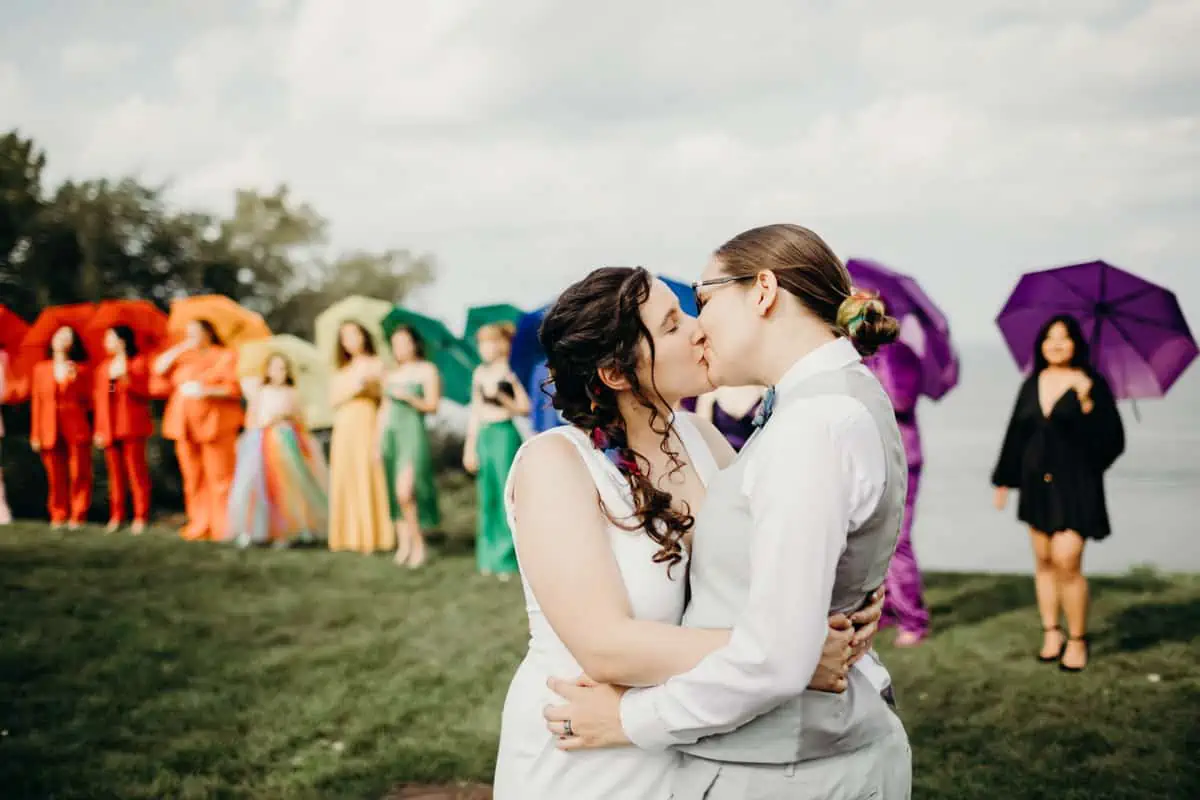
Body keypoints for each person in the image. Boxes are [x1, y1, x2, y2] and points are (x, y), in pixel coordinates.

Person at [544, 225, 912, 799]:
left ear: (763, 291)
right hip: (763, 755)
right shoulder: (827, 403)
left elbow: (777, 657)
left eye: (703, 300)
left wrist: (629, 720)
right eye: (677, 319)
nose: (699, 326)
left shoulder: (812, 423)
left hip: (787, 768)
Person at [992, 314, 1125, 672]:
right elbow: (1016, 435)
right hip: (1036, 484)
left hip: (1077, 485)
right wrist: (1003, 481)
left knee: (1068, 561)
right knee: (1045, 561)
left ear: (1076, 344)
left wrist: (1087, 403)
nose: (1056, 344)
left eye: (1064, 338)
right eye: (1049, 338)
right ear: (1041, 345)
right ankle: (1052, 632)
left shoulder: (1092, 384)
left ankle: (1078, 639)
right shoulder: (1031, 383)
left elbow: (1112, 442)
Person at [153, 319, 243, 541]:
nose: (190, 335)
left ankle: (223, 526)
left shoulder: (225, 356)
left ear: (208, 333)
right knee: (193, 477)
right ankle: (199, 523)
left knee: (220, 477)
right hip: (184, 425)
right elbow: (158, 369)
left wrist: (206, 390)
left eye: (195, 331)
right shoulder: (183, 356)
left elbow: (234, 389)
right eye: (188, 332)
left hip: (215, 424)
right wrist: (181, 347)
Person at [227, 353, 328, 547]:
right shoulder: (261, 392)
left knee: (290, 487)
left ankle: (290, 530)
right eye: (274, 368)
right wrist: (266, 422)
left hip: (288, 441)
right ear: (267, 371)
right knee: (258, 486)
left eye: (282, 368)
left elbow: (301, 420)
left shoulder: (292, 393)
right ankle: (254, 529)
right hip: (263, 442)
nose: (279, 373)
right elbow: (252, 419)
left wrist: (287, 418)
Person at [865, 340, 929, 645]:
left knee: (897, 539)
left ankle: (913, 619)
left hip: (900, 457)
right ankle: (886, 609)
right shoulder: (855, 355)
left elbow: (901, 400)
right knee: (871, 539)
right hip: (867, 457)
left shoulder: (899, 354)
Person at [463, 322, 531, 580]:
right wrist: (470, 447)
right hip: (484, 435)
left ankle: (507, 559)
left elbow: (524, 408)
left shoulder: (511, 372)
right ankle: (487, 556)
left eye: (490, 342)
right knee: (487, 496)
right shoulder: (479, 373)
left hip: (504, 433)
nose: (485, 348)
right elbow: (475, 412)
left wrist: (502, 397)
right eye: (481, 343)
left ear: (502, 344)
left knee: (506, 495)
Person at [327, 321, 394, 554]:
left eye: (354, 334)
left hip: (368, 422)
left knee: (367, 474)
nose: (350, 340)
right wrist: (354, 388)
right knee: (345, 476)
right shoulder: (341, 371)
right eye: (345, 337)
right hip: (345, 426)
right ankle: (346, 535)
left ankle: (373, 536)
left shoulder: (377, 365)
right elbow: (333, 400)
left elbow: (387, 398)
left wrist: (370, 388)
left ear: (364, 336)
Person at [379, 324, 441, 567]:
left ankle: (419, 544)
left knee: (406, 492)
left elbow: (432, 406)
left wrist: (410, 398)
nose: (400, 348)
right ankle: (403, 544)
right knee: (394, 492)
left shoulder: (427, 370)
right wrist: (377, 442)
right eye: (396, 344)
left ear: (415, 344)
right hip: (390, 435)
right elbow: (384, 410)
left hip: (412, 434)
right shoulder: (390, 374)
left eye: (405, 342)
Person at [30, 326, 93, 529]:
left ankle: (78, 514)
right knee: (55, 475)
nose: (62, 339)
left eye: (67, 337)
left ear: (73, 343)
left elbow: (90, 401)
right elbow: (37, 402)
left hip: (75, 425)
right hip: (49, 426)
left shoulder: (82, 369)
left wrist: (76, 380)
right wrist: (35, 433)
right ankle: (58, 514)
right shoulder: (41, 369)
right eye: (59, 335)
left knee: (79, 473)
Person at [93, 325, 154, 534]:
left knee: (136, 473)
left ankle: (141, 516)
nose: (106, 343)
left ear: (122, 341)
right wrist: (100, 429)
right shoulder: (104, 368)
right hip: (110, 427)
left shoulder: (138, 363)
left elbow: (144, 392)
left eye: (110, 338)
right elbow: (103, 399)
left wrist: (126, 377)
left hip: (131, 426)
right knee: (115, 476)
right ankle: (117, 516)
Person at [691, 385, 765, 451]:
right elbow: (704, 437)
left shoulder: (760, 385)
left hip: (762, 451)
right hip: (728, 458)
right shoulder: (708, 393)